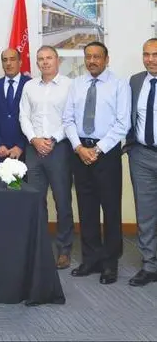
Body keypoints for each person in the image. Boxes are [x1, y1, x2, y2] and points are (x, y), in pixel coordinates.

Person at [62, 41, 130, 285]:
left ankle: (110, 262)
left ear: (106, 59)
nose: (92, 61)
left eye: (97, 57)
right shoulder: (77, 84)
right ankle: (90, 259)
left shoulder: (119, 85)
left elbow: (123, 123)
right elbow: (67, 119)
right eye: (88, 56)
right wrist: (79, 147)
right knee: (86, 207)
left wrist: (97, 149)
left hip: (107, 152)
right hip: (80, 151)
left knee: (111, 209)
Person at [19, 45, 74, 269]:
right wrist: (34, 139)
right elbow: (24, 116)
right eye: (41, 59)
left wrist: (52, 139)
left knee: (62, 201)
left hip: (59, 148)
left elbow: (71, 117)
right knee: (36, 200)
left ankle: (64, 249)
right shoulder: (30, 86)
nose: (45, 62)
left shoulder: (70, 85)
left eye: (49, 58)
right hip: (34, 149)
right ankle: (39, 247)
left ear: (57, 60)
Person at [126, 37, 157, 286]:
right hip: (142, 156)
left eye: (155, 54)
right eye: (146, 54)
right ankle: (150, 265)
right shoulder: (135, 81)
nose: (150, 59)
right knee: (145, 212)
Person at [0, 48, 30, 168]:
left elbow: (33, 118)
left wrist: (20, 146)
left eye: (12, 59)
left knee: (23, 181)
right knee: (0, 180)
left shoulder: (30, 84)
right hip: (1, 151)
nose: (8, 63)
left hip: (24, 150)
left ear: (20, 62)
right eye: (5, 60)